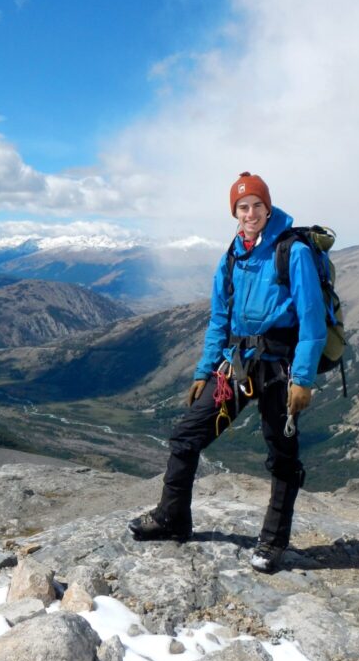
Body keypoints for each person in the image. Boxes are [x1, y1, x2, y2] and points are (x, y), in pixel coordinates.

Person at [129, 171, 326, 573]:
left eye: (256, 205)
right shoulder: (233, 254)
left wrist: (303, 379)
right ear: (234, 213)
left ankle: (272, 543)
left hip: (280, 365)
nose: (250, 213)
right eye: (242, 207)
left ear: (268, 207)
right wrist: (204, 371)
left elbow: (311, 320)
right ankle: (173, 518)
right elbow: (220, 317)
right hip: (237, 363)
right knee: (187, 434)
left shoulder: (293, 251)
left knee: (282, 455)